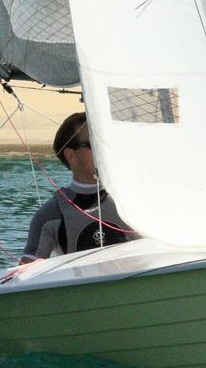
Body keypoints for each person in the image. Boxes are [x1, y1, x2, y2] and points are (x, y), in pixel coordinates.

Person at [20, 112, 134, 263]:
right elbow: (26, 271)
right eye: (93, 144)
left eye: (104, 142)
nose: (103, 150)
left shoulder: (137, 198)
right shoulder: (51, 214)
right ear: (70, 155)